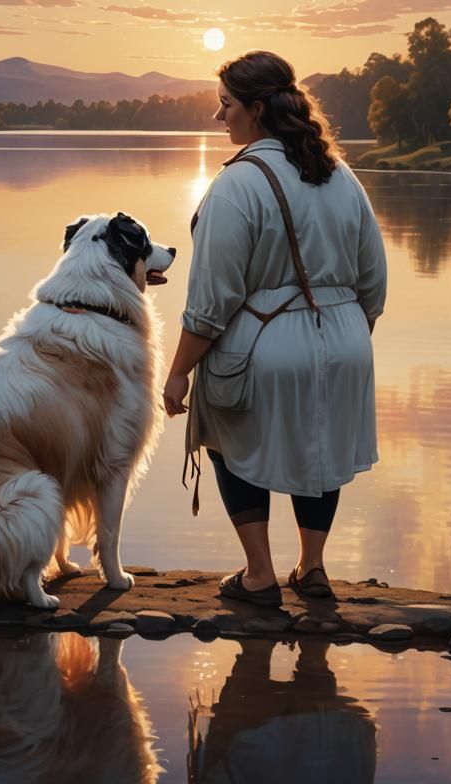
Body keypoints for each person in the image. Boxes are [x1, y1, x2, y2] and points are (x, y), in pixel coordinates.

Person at [162, 50, 386, 606]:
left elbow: (211, 303)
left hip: (263, 346)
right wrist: (342, 338)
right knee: (321, 443)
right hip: (347, 342)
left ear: (256, 109)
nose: (219, 117)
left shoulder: (237, 185)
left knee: (227, 439)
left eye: (226, 105)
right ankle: (312, 568)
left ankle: (259, 575)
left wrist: (179, 372)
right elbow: (374, 281)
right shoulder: (342, 176)